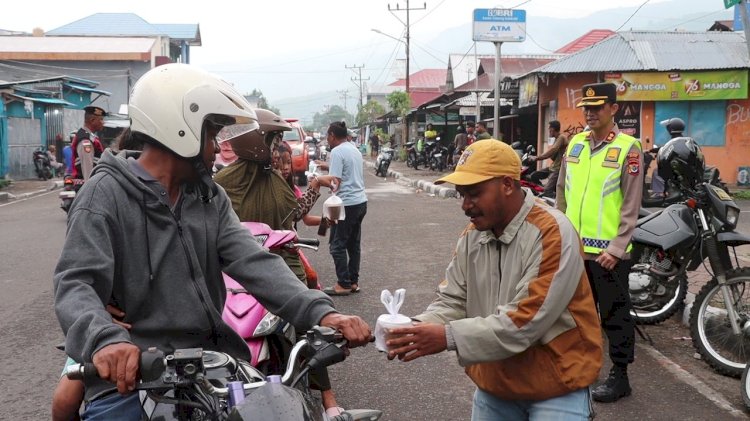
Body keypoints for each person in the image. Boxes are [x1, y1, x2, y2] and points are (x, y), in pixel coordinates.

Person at [53, 64, 372, 420]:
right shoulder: (104, 196)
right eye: (211, 136)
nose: (216, 150)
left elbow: (254, 261)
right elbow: (76, 282)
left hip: (212, 366)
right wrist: (104, 340)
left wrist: (322, 312)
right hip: (137, 375)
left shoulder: (209, 196)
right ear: (179, 129)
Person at [386, 139, 602, 420]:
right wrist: (413, 329)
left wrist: (447, 336)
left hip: (558, 385)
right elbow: (453, 300)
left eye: (474, 193)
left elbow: (526, 321)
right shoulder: (472, 236)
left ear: (508, 184)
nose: (466, 205)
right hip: (495, 385)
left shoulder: (552, 233)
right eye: (461, 194)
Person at [213, 110, 344, 416]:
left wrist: (315, 188)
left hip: (277, 259)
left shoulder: (267, 180)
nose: (275, 150)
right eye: (271, 141)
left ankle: (327, 394)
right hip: (238, 266)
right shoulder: (218, 183)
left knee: (310, 319)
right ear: (256, 143)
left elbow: (295, 215)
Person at [556, 82, 643, 404]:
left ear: (613, 109)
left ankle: (620, 377)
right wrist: (559, 235)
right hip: (574, 252)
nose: (590, 113)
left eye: (597, 107)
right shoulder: (575, 143)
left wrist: (617, 247)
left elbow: (632, 203)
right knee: (574, 315)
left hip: (608, 255)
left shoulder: (628, 147)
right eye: (586, 108)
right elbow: (562, 195)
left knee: (615, 316)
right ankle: (578, 369)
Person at [314, 121, 368, 296]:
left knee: (337, 245)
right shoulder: (354, 149)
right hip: (360, 202)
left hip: (346, 204)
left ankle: (343, 284)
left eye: (327, 136)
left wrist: (317, 180)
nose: (327, 140)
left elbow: (335, 182)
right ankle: (353, 282)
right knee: (353, 244)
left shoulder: (337, 151)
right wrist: (326, 167)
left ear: (332, 135)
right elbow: (345, 172)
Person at [528, 120, 569, 198]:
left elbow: (552, 150)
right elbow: (553, 154)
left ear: (552, 129)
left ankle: (556, 199)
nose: (548, 131)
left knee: (547, 191)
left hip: (558, 169)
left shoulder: (561, 137)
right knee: (534, 176)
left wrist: (537, 158)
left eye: (549, 128)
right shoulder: (557, 138)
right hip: (553, 167)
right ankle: (545, 190)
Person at [70, 106, 106, 179]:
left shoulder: (90, 137)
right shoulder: (85, 140)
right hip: (85, 186)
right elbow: (88, 169)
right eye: (101, 119)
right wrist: (90, 188)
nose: (103, 123)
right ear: (92, 120)